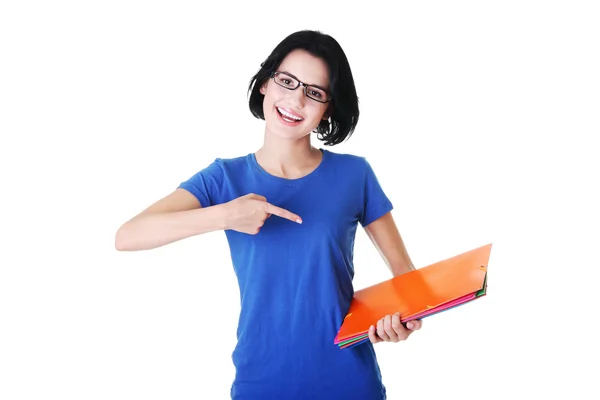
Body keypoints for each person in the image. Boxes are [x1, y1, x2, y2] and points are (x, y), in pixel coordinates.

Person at [115, 29, 422, 400]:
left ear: (328, 107)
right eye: (287, 81)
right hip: (260, 383)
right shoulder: (224, 178)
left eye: (314, 92)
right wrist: (226, 215)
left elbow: (408, 281)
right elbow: (128, 236)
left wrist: (400, 319)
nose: (295, 100)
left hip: (350, 383)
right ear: (265, 83)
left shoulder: (355, 175)